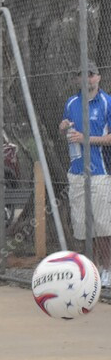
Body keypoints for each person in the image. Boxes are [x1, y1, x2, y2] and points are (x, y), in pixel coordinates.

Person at [59, 60, 111, 287]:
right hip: (76, 173)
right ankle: (91, 270)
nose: (87, 78)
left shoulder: (108, 103)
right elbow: (67, 132)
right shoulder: (71, 103)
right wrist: (63, 128)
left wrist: (85, 139)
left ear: (98, 77)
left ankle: (108, 270)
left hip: (100, 173)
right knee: (82, 226)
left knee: (103, 225)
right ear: (76, 79)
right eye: (82, 75)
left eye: (91, 74)